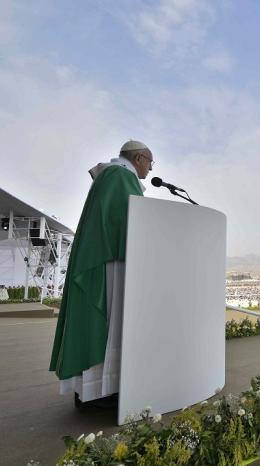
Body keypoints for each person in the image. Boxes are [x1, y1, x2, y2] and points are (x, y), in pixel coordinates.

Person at [49, 140, 154, 408]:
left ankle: (95, 390)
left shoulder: (111, 175)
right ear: (139, 158)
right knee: (109, 326)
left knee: (104, 326)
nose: (151, 169)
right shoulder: (120, 176)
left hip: (104, 256)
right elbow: (129, 221)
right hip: (111, 260)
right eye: (150, 162)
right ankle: (102, 392)